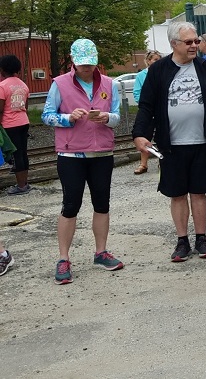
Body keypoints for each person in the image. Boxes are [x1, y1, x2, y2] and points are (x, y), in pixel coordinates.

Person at [132, 21, 206, 262]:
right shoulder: (158, 71)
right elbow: (146, 106)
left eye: (196, 41)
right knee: (177, 193)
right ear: (173, 44)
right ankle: (182, 241)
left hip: (200, 142)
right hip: (171, 144)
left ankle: (201, 238)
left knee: (199, 191)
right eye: (189, 42)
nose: (194, 46)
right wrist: (139, 134)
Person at [42, 38, 124, 284]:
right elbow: (47, 116)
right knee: (70, 205)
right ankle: (63, 258)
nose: (86, 68)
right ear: (73, 61)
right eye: (81, 64)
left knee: (102, 204)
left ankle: (101, 252)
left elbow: (118, 117)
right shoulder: (59, 84)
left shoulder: (110, 84)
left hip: (102, 153)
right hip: (71, 155)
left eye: (90, 63)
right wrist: (68, 117)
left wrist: (106, 117)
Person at [0, 54, 31, 194]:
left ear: (2, 69)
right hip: (24, 121)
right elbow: (26, 106)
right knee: (23, 153)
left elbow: (0, 109)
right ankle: (25, 183)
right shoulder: (23, 84)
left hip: (9, 124)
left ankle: (21, 187)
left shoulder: (2, 86)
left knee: (15, 155)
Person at [132, 50, 162, 175]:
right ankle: (143, 164)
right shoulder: (141, 76)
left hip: (161, 110)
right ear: (148, 61)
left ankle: (163, 161)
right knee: (145, 135)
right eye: (155, 59)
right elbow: (137, 93)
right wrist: (147, 104)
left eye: (159, 59)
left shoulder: (163, 74)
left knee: (162, 135)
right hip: (148, 111)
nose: (157, 62)